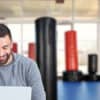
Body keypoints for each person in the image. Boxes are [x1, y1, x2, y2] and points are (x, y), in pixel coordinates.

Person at [0, 24, 46, 100]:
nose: (0, 53)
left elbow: (39, 98)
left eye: (5, 47)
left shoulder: (28, 66)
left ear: (11, 44)